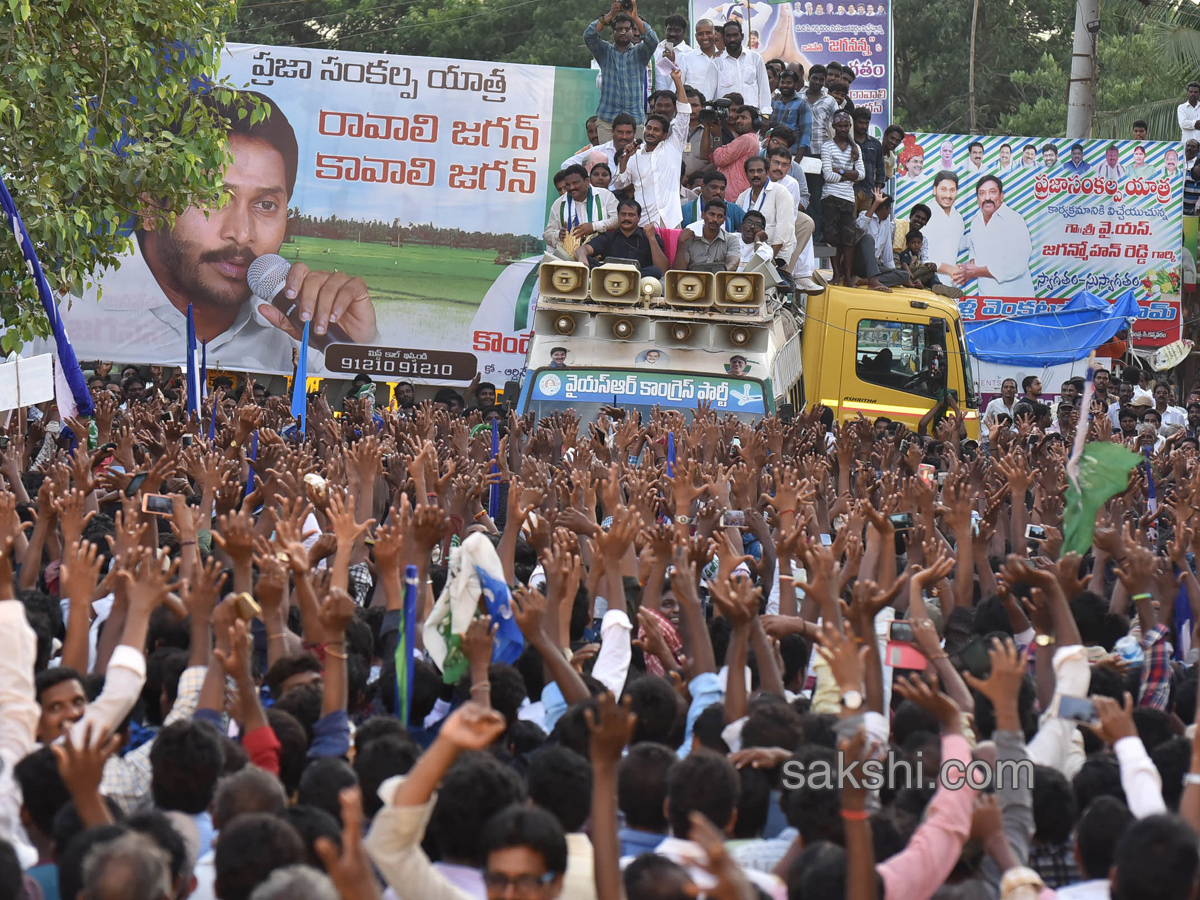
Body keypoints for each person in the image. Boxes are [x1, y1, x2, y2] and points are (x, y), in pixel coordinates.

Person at [40, 90, 379, 376]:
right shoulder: (57, 312)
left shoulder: (302, 335)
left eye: (265, 205)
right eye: (214, 197)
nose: (242, 234)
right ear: (151, 207)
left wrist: (357, 353)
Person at [611, 67, 690, 228]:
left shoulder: (673, 146)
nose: (650, 132)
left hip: (671, 221)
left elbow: (684, 114)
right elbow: (618, 184)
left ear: (665, 134)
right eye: (648, 128)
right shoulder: (634, 154)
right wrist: (625, 159)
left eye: (656, 130)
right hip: (644, 224)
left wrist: (678, 81)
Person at [584, 2, 659, 142]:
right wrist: (610, 15)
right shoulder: (604, 51)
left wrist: (635, 17)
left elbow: (653, 40)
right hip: (607, 120)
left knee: (633, 162)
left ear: (633, 31)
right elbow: (589, 35)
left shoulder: (640, 52)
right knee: (607, 162)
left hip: (634, 120)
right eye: (619, 29)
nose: (623, 32)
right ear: (612, 32)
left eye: (627, 28)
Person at [955, 175, 1035, 296]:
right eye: (982, 193)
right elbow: (974, 246)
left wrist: (978, 271)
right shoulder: (976, 221)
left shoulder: (1014, 220)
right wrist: (970, 269)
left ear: (1001, 196)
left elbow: (1017, 263)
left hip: (1015, 300)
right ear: (977, 199)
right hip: (986, 299)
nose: (987, 198)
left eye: (992, 192)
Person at [576, 198, 670, 277]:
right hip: (609, 277)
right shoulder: (609, 236)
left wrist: (651, 238)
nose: (626, 218)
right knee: (587, 261)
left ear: (639, 217)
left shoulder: (649, 236)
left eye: (631, 215)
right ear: (618, 216)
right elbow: (583, 249)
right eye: (623, 214)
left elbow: (662, 270)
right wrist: (582, 257)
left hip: (638, 279)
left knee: (654, 270)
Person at [820, 111, 861, 285]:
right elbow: (828, 175)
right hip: (830, 196)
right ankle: (836, 274)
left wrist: (841, 171)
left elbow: (861, 175)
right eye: (840, 125)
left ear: (850, 127)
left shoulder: (855, 148)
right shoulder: (827, 147)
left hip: (848, 198)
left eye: (846, 125)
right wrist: (849, 175)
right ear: (834, 126)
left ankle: (848, 275)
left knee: (849, 239)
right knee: (832, 239)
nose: (843, 129)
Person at [735, 156, 797, 264]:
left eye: (760, 171)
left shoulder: (780, 192)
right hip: (745, 254)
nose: (755, 175)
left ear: (767, 172)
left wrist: (768, 259)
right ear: (746, 174)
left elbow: (784, 229)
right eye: (751, 171)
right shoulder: (743, 197)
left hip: (775, 256)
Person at [543, 166, 619, 250]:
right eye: (568, 185)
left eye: (575, 183)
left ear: (587, 181)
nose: (571, 188)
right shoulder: (559, 203)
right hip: (569, 258)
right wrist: (558, 235)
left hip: (601, 254)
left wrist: (593, 226)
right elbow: (547, 234)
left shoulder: (605, 195)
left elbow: (618, 219)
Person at [704, 105, 762, 202]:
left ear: (755, 123)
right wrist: (707, 128)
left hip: (733, 194)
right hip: (733, 193)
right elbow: (706, 155)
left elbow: (719, 159)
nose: (738, 121)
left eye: (744, 118)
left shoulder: (746, 139)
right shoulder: (741, 140)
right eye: (738, 118)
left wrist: (717, 136)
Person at [853, 189, 909, 289]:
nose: (889, 213)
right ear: (884, 209)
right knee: (868, 239)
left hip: (876, 266)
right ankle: (873, 281)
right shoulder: (864, 214)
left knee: (904, 275)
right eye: (889, 209)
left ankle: (864, 280)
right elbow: (860, 227)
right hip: (860, 262)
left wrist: (893, 271)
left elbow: (887, 250)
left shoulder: (886, 222)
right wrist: (876, 204)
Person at [716, 20, 772, 115]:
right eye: (728, 36)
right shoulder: (717, 62)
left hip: (752, 117)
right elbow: (708, 92)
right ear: (723, 38)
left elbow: (764, 89)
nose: (732, 39)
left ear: (742, 36)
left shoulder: (755, 58)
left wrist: (765, 114)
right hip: (727, 118)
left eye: (735, 35)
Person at [653, 15, 716, 100]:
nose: (672, 34)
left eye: (677, 30)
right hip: (659, 103)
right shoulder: (655, 51)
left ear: (684, 32)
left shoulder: (687, 54)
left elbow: (677, 84)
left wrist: (671, 64)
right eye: (669, 30)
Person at [674, 200, 742, 273]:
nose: (715, 219)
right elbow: (678, 271)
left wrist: (716, 275)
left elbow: (733, 264)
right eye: (711, 214)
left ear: (724, 220)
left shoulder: (731, 240)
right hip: (692, 281)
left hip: (718, 281)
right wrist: (681, 242)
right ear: (703, 215)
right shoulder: (688, 238)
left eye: (720, 216)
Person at [924, 170, 966, 277]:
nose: (948, 195)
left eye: (952, 190)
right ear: (934, 190)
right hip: (927, 282)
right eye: (943, 190)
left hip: (951, 284)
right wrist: (950, 269)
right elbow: (922, 256)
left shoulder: (958, 217)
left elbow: (955, 245)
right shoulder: (924, 215)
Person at [561, 116, 636, 174]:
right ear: (612, 131)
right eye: (620, 132)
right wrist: (588, 181)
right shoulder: (599, 150)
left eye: (628, 133)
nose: (624, 137)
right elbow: (566, 165)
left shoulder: (642, 151)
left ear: (634, 133)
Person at [681, 172, 746, 232]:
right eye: (714, 187)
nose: (718, 192)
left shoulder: (733, 209)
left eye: (722, 189)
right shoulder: (685, 210)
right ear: (703, 187)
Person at [769, 70, 810, 154]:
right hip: (770, 152)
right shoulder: (773, 102)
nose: (785, 85)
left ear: (796, 85)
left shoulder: (802, 105)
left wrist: (797, 160)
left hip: (791, 153)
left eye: (789, 83)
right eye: (782, 82)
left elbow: (805, 135)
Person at [852, 108, 886, 204]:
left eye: (866, 123)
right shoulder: (848, 142)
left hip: (869, 192)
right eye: (860, 123)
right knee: (851, 219)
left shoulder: (875, 144)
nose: (863, 126)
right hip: (851, 191)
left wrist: (877, 191)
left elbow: (881, 169)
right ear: (853, 122)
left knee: (866, 218)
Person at [1185, 140, 1200, 215]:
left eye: (1193, 147)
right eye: (1188, 146)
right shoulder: (1176, 161)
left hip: (1190, 214)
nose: (1189, 148)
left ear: (1197, 151)